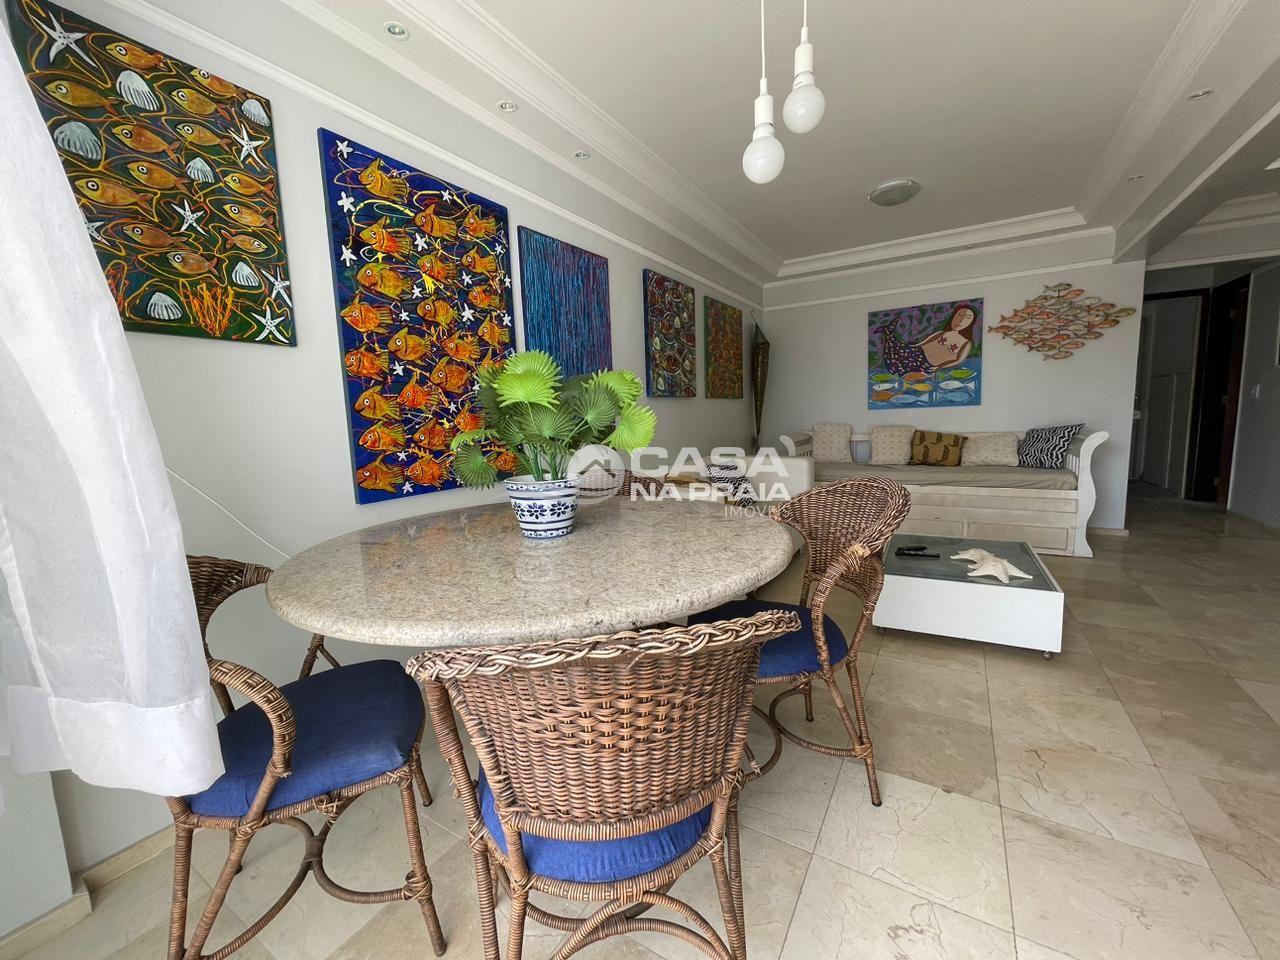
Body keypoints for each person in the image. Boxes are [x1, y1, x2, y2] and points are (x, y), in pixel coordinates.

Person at [876, 304, 976, 376]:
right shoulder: (943, 332)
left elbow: (958, 360)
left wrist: (940, 366)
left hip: (928, 365)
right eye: (959, 315)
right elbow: (928, 340)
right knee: (895, 353)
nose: (961, 320)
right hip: (917, 352)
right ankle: (888, 332)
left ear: (970, 323)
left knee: (907, 375)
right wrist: (916, 345)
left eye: (967, 318)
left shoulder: (966, 343)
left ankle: (888, 332)